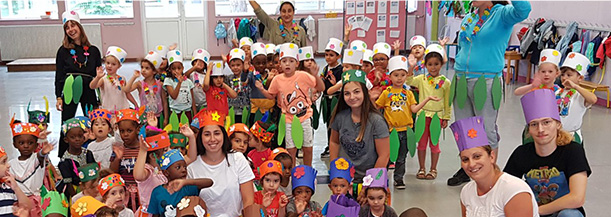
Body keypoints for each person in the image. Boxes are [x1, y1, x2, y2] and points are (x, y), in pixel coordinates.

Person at [448, 0, 531, 186]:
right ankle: (468, 168)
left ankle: (490, 172)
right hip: (461, 78)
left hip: (485, 80)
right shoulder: (470, 17)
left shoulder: (502, 15)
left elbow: (524, 10)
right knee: (465, 129)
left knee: (486, 129)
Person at [504, 89, 591, 217]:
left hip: (561, 211)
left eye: (546, 122)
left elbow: (577, 198)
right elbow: (505, 189)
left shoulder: (573, 150)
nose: (540, 129)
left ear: (558, 124)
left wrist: (536, 211)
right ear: (529, 130)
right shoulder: (521, 153)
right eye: (534, 124)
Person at [450, 116, 538, 217]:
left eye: (477, 156)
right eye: (465, 159)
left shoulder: (513, 190)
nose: (471, 164)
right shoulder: (467, 192)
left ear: (491, 156)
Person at [255, 43, 325, 167]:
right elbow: (271, 95)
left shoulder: (303, 76)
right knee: (291, 149)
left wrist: (315, 75)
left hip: (305, 117)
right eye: (284, 61)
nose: (287, 64)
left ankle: (308, 170)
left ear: (297, 63)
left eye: (291, 61)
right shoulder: (277, 79)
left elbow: (321, 87)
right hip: (288, 119)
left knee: (307, 147)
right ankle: (292, 171)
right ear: (279, 64)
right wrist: (262, 89)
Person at [376, 55, 440, 188]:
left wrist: (427, 99)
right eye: (396, 75)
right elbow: (377, 107)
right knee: (386, 157)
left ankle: (399, 179)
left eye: (403, 75)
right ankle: (381, 179)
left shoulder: (408, 93)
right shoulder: (386, 92)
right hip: (390, 131)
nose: (399, 78)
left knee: (401, 158)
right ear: (390, 76)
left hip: (405, 131)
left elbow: (414, 109)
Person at [187, 110, 255, 216]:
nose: (213, 139)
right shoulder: (192, 167)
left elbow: (248, 201)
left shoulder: (238, 159)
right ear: (201, 137)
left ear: (223, 135)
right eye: (207, 134)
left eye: (217, 133)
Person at [329, 69, 390, 187]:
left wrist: (369, 184)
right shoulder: (340, 117)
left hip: (370, 180)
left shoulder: (376, 121)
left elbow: (384, 155)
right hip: (345, 180)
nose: (352, 97)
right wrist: (335, 171)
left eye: (356, 92)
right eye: (347, 93)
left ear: (365, 93)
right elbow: (334, 142)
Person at [56, 10, 102, 157]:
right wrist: (58, 96)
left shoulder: (94, 51)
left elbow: (98, 75)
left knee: (92, 122)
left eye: (73, 25)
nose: (71, 30)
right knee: (67, 123)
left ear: (80, 27)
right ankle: (64, 157)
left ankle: (92, 154)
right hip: (70, 90)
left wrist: (99, 98)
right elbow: (59, 75)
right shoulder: (63, 51)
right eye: (67, 27)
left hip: (89, 88)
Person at [405, 44, 451, 180]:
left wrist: (446, 117)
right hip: (423, 115)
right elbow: (408, 80)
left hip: (437, 116)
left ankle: (433, 169)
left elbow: (448, 101)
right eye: (430, 64)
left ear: (441, 64)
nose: (433, 67)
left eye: (436, 64)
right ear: (425, 65)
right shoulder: (422, 79)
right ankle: (422, 168)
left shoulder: (446, 82)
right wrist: (412, 67)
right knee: (422, 144)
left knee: (435, 144)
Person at [147, 149, 213, 217]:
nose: (183, 170)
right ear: (166, 173)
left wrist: (185, 182)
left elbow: (209, 182)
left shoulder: (188, 188)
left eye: (185, 167)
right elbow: (155, 214)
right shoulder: (157, 192)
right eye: (178, 167)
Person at [8, 119, 50, 217]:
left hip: (37, 203)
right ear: (14, 144)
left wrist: (44, 143)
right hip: (19, 203)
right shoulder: (11, 164)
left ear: (36, 144)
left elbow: (41, 154)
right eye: (21, 143)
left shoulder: (37, 159)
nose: (26, 146)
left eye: (30, 143)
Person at [556, 52, 597, 143]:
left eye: (569, 75)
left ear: (580, 78)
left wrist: (575, 86)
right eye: (562, 75)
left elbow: (593, 99)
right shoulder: (558, 92)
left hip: (572, 136)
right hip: (556, 135)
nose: (564, 78)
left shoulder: (580, 95)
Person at [125, 51, 169, 126]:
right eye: (142, 67)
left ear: (154, 71)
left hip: (158, 116)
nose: (143, 70)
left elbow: (164, 102)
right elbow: (126, 90)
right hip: (145, 116)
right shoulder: (139, 84)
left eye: (147, 68)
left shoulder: (160, 84)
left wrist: (166, 118)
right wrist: (134, 77)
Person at [90, 46, 138, 111]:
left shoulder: (122, 79)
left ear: (119, 66)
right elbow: (92, 86)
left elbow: (127, 92)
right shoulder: (103, 79)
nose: (109, 66)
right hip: (108, 111)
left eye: (113, 64)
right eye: (108, 63)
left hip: (123, 110)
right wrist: (97, 77)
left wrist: (135, 103)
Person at [164, 50, 196, 120]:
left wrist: (195, 115)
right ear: (169, 69)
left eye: (179, 68)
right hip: (175, 112)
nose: (177, 71)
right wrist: (179, 83)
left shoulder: (188, 82)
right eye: (173, 68)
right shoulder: (168, 81)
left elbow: (192, 100)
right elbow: (174, 96)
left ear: (183, 68)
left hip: (187, 112)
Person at [249, 43, 277, 124]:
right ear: (252, 63)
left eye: (264, 63)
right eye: (258, 63)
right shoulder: (251, 75)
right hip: (255, 109)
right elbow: (244, 81)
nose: (261, 65)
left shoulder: (271, 74)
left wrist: (270, 80)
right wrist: (245, 71)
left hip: (269, 109)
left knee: (268, 130)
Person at [226, 48, 251, 123]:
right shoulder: (228, 78)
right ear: (229, 66)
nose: (235, 67)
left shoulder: (248, 76)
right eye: (233, 65)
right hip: (232, 110)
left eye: (238, 65)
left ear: (243, 65)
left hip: (245, 109)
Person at [185, 48, 211, 112]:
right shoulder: (192, 74)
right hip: (194, 104)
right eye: (196, 61)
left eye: (202, 61)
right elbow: (184, 76)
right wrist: (194, 67)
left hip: (205, 103)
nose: (199, 63)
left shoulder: (206, 75)